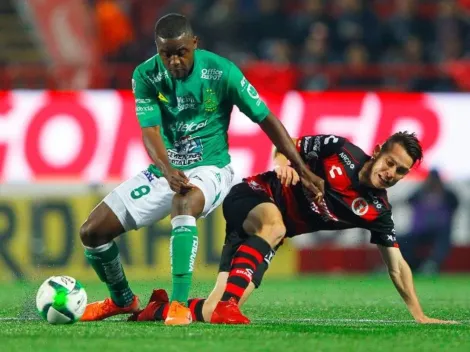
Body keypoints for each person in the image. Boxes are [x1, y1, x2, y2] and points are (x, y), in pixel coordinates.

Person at [78, 13, 323, 326]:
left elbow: (266, 118)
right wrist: (166, 170)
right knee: (92, 231)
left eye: (182, 52)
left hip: (212, 169)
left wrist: (301, 167)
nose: (175, 61)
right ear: (157, 50)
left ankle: (178, 304)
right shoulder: (145, 75)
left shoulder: (221, 72)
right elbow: (150, 131)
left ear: (194, 44)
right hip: (166, 169)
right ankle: (122, 300)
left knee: (183, 202)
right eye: (166, 54)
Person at [130, 132, 457, 325]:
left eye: (400, 171)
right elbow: (290, 145)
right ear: (376, 153)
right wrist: (283, 164)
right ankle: (228, 306)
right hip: (253, 195)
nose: (391, 172)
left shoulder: (377, 210)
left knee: (213, 309)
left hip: (263, 238)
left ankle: (159, 308)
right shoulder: (339, 150)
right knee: (275, 225)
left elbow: (397, 266)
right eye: (390, 162)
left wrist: (419, 313)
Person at [399, 169, 459, 274]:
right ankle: (412, 265)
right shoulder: (419, 193)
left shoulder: (448, 195)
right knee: (402, 240)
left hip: (440, 230)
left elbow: (455, 205)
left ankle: (432, 264)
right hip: (421, 231)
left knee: (443, 241)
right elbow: (406, 201)